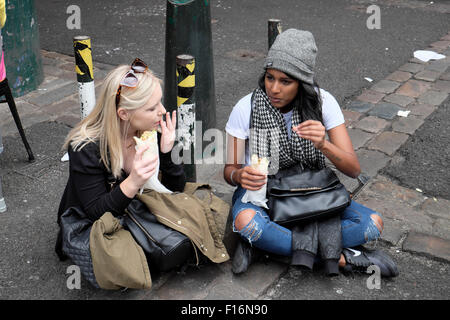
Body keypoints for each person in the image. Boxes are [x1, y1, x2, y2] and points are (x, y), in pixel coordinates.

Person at [223, 29, 398, 277]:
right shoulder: (246, 106)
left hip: (311, 191)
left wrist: (324, 144)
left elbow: (353, 169)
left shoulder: (323, 103)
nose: (274, 88)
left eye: (285, 81)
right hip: (263, 193)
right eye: (269, 77)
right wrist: (240, 176)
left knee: (372, 225)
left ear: (302, 82)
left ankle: (266, 247)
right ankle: (342, 257)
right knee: (246, 222)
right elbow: (228, 170)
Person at [55, 58, 185, 261]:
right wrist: (133, 181)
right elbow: (95, 212)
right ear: (123, 113)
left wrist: (168, 153)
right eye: (152, 108)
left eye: (160, 102)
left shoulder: (149, 131)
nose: (162, 111)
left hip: (135, 211)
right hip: (96, 224)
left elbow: (175, 190)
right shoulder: (86, 148)